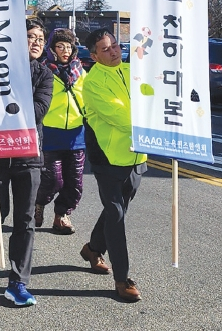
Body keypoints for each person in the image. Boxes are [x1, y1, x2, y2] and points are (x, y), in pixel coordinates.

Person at [0, 19, 53, 307]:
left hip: (28, 153)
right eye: (31, 36)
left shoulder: (44, 74)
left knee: (26, 219)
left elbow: (39, 111)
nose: (37, 42)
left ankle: (18, 282)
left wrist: (7, 103)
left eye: (41, 39)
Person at [80, 28, 147, 303]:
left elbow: (153, 94)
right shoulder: (93, 82)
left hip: (137, 155)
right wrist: (153, 119)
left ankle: (92, 248)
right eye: (105, 49)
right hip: (109, 158)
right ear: (94, 56)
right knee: (116, 215)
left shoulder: (135, 69)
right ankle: (122, 279)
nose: (114, 51)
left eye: (115, 45)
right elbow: (121, 116)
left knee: (117, 209)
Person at [34, 27, 87, 234]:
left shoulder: (81, 72)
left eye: (68, 46)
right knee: (53, 180)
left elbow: (89, 99)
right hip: (50, 134)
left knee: (75, 183)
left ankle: (62, 216)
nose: (65, 50)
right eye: (60, 46)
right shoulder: (43, 70)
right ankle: (39, 203)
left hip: (76, 136)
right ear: (52, 49)